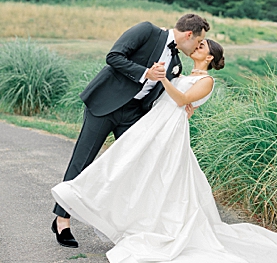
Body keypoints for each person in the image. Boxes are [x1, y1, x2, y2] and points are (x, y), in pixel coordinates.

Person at [52, 39, 277, 263]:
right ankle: (88, 206)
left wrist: (165, 79)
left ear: (209, 57)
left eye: (201, 46)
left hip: (171, 131)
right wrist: (167, 83)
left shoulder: (207, 80)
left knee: (162, 177)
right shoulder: (181, 72)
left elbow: (180, 100)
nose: (196, 47)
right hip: (154, 124)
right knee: (129, 167)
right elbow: (171, 98)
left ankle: (150, 224)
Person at [52, 14, 210, 248]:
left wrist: (187, 105)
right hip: (104, 105)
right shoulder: (147, 31)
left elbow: (170, 93)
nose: (197, 46)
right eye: (198, 42)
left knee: (133, 167)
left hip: (134, 115)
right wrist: (145, 73)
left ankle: (126, 225)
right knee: (82, 160)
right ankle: (62, 220)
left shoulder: (177, 65)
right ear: (188, 35)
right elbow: (113, 57)